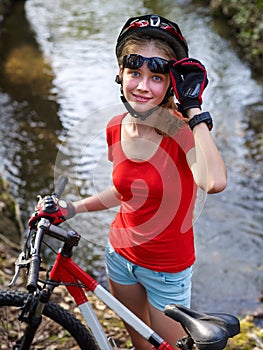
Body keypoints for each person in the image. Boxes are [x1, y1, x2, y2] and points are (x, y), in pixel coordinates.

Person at [30, 14, 227, 349]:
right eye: (134, 72)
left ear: (171, 83)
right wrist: (73, 208)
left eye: (156, 76)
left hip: (167, 270)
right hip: (119, 257)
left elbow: (213, 182)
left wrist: (194, 110)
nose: (142, 85)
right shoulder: (115, 127)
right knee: (139, 343)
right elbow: (125, 192)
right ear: (120, 75)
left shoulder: (183, 132)